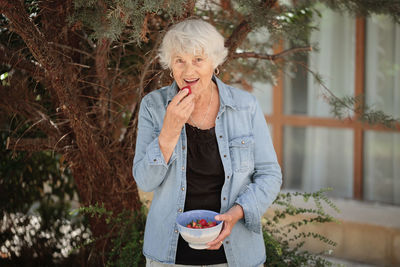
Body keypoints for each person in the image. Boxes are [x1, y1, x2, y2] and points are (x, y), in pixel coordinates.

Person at [133, 19, 282, 267]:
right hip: (169, 256)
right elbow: (145, 181)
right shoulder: (154, 106)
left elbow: (270, 174)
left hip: (237, 253)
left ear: (215, 62)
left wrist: (237, 213)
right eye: (179, 60)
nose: (188, 70)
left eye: (198, 60)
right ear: (170, 65)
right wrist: (170, 129)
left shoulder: (246, 106)